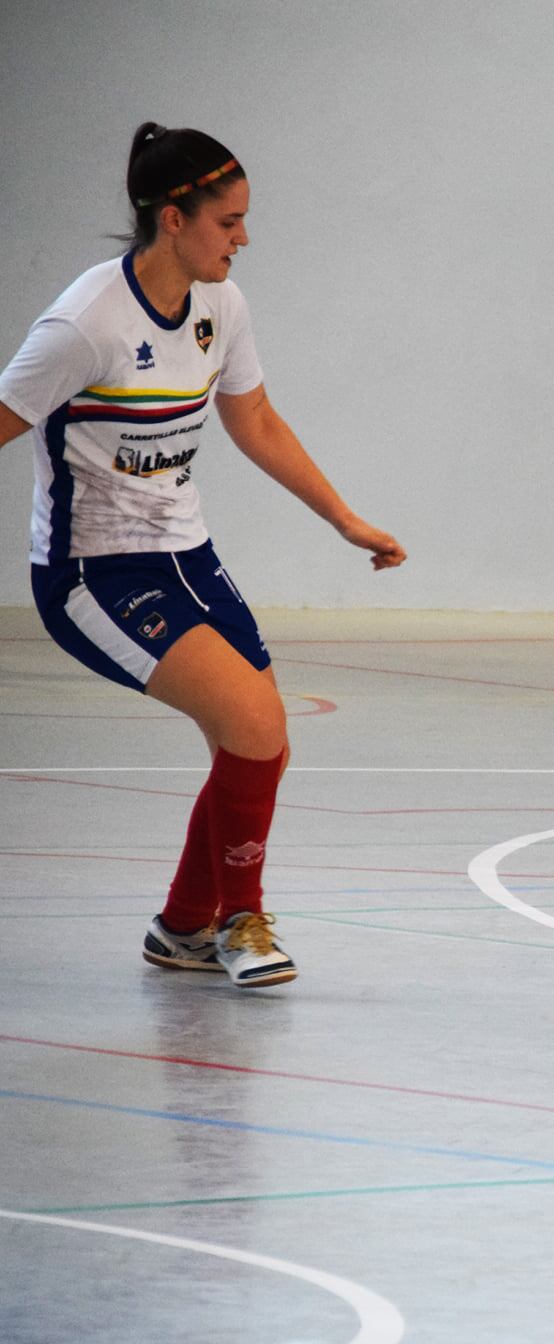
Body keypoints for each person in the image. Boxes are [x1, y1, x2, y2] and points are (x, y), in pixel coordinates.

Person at [0, 123, 407, 988]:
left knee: (261, 743)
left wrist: (344, 518)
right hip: (92, 573)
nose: (244, 239)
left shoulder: (222, 305)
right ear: (173, 218)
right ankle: (240, 922)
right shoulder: (83, 325)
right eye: (230, 221)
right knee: (255, 728)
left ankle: (182, 924)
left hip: (187, 553)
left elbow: (254, 421)